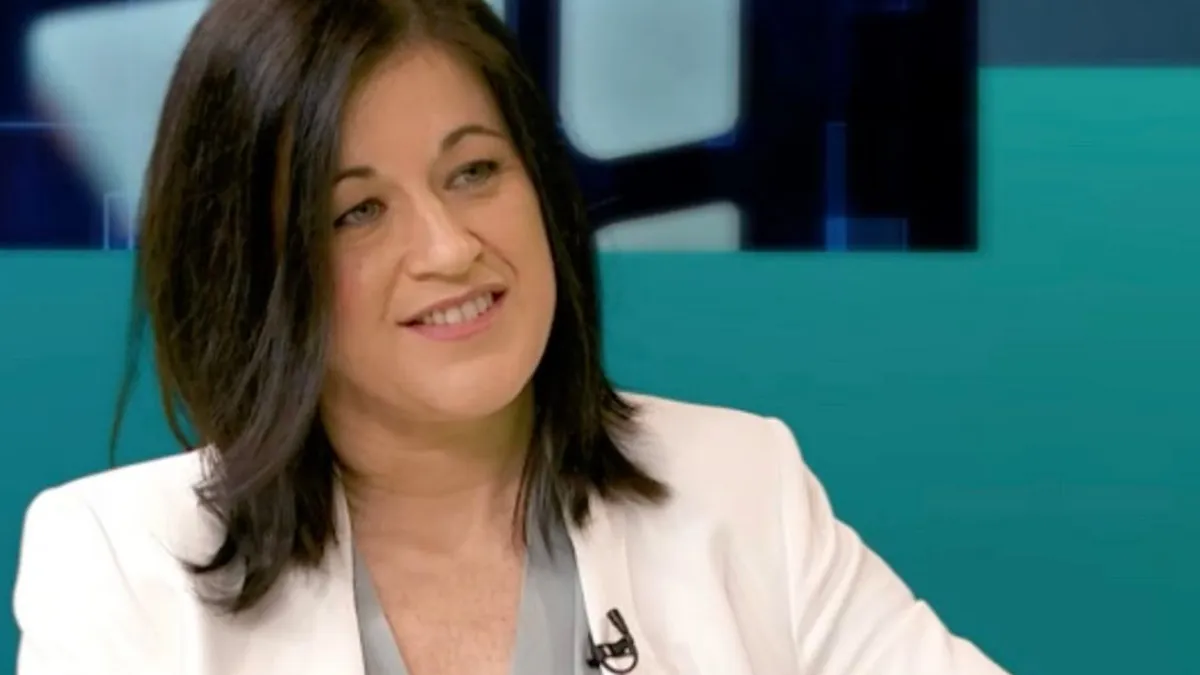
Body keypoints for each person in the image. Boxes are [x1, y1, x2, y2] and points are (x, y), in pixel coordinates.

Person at [11, 1, 1010, 673]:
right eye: (357, 212)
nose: (450, 248)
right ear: (254, 269)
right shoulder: (117, 561)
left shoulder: (744, 488)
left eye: (475, 172)